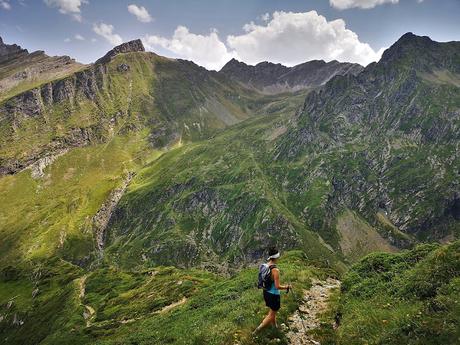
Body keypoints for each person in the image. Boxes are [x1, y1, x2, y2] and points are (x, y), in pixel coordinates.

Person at [253, 247, 291, 334]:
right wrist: (287, 287)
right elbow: (277, 286)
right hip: (274, 295)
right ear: (277, 257)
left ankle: (275, 327)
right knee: (271, 315)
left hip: (266, 292)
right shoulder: (275, 270)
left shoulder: (265, 266)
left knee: (272, 311)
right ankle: (257, 331)